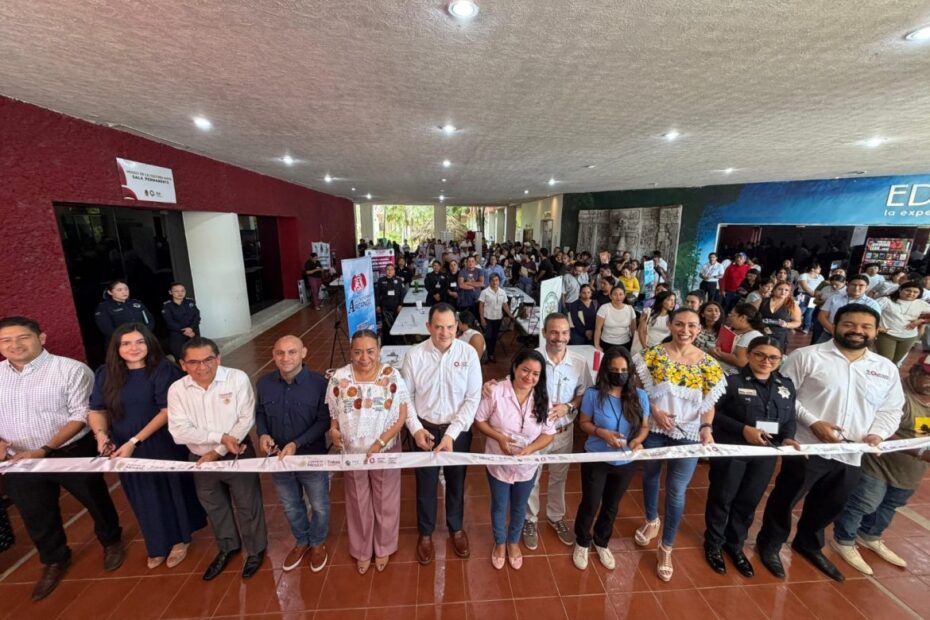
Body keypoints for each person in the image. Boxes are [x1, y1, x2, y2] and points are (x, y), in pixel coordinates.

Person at [756, 305, 905, 582]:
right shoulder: (807, 356)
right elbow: (782, 396)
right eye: (849, 324)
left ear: (876, 332)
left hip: (853, 451)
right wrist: (813, 422)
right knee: (786, 498)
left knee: (831, 503)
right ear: (834, 326)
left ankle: (808, 544)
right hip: (806, 446)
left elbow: (892, 409)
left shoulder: (885, 368)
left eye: (865, 327)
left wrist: (878, 434)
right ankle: (770, 544)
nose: (857, 331)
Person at [0, 316, 125, 601]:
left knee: (95, 499)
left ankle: (111, 541)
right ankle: (54, 559)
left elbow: (81, 414)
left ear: (41, 338)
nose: (14, 345)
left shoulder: (70, 370)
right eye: (6, 340)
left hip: (70, 451)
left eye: (22, 337)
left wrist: (45, 448)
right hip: (18, 460)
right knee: (35, 513)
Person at [88, 323, 206, 570]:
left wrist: (135, 441)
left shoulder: (163, 370)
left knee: (170, 490)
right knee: (142, 494)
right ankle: (157, 543)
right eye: (126, 343)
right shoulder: (105, 373)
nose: (134, 348)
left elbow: (167, 411)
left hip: (160, 442)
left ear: (149, 343)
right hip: (123, 447)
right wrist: (101, 435)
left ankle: (180, 539)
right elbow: (97, 409)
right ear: (116, 347)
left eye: (140, 342)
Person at [633, 308, 726, 581]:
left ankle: (666, 546)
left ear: (700, 329)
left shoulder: (709, 364)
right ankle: (652, 520)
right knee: (650, 477)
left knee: (676, 490)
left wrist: (706, 428)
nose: (685, 330)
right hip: (655, 429)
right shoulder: (653, 355)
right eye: (680, 324)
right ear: (670, 325)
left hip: (688, 434)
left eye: (692, 326)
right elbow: (638, 389)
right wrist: (654, 410)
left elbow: (708, 404)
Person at [167, 337, 267, 581]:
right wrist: (219, 437)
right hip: (200, 459)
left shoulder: (237, 378)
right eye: (194, 362)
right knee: (214, 506)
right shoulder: (177, 390)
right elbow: (179, 431)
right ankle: (228, 546)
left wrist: (218, 451)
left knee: (248, 504)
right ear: (183, 364)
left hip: (237, 453)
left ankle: (255, 550)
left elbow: (246, 419)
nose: (202, 367)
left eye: (208, 359)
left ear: (218, 359)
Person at [703, 337, 799, 577]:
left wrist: (787, 438)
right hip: (733, 451)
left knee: (748, 500)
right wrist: (742, 429)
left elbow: (789, 417)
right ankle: (713, 543)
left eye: (773, 357)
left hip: (765, 455)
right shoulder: (731, 381)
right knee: (723, 497)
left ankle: (734, 544)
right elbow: (713, 414)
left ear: (780, 360)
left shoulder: (785, 386)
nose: (766, 361)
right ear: (749, 354)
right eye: (759, 355)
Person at [831, 353, 930, 575]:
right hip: (880, 465)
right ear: (915, 371)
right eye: (928, 376)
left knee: (891, 504)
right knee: (863, 503)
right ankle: (844, 540)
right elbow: (878, 429)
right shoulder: (898, 396)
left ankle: (870, 536)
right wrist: (919, 451)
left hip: (911, 471)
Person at [401, 303, 482, 565]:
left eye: (449, 327)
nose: (444, 333)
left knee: (456, 481)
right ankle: (425, 533)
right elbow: (406, 398)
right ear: (428, 327)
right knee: (425, 484)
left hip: (456, 431)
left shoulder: (468, 354)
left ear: (457, 326)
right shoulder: (414, 355)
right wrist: (416, 429)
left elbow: (473, 398)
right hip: (424, 429)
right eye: (438, 327)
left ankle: (456, 528)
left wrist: (452, 434)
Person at [328, 330, 410, 573]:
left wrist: (381, 442)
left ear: (379, 350)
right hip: (352, 451)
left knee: (386, 499)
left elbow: (401, 415)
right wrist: (334, 430)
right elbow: (334, 413)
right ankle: (362, 549)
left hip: (385, 448)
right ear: (350, 351)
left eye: (370, 351)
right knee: (357, 500)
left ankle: (384, 546)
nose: (364, 357)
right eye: (358, 352)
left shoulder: (391, 375)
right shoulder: (339, 378)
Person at [255, 335, 330, 573]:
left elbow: (324, 421)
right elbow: (260, 414)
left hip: (311, 457)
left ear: (304, 353)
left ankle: (317, 542)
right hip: (279, 460)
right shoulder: (264, 384)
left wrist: (297, 443)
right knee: (290, 505)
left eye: (292, 352)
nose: (285, 358)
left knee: (319, 505)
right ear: (273, 355)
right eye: (280, 353)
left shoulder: (320, 384)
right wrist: (263, 434)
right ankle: (302, 540)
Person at [475, 349, 554, 570]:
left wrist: (531, 449)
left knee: (520, 506)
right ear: (514, 367)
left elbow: (548, 433)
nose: (529, 377)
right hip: (498, 462)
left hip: (527, 466)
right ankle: (500, 543)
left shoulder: (542, 398)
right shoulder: (496, 391)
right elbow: (479, 420)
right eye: (525, 370)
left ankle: (513, 542)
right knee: (500, 505)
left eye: (536, 374)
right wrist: (499, 437)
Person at [572, 347, 649, 571]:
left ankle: (602, 541)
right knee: (591, 502)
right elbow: (584, 423)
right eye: (615, 370)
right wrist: (601, 433)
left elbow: (645, 427)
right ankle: (582, 541)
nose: (619, 374)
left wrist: (637, 441)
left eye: (624, 370)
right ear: (606, 370)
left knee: (612, 505)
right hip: (596, 457)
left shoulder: (640, 396)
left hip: (625, 461)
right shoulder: (593, 394)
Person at [875, 281, 930, 365]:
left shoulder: (921, 303)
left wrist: (921, 321)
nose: (911, 294)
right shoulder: (886, 300)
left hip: (909, 337)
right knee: (886, 362)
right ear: (900, 290)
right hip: (887, 335)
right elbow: (868, 312)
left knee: (896, 362)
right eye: (908, 290)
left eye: (915, 292)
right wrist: (876, 327)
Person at [818, 274, 881, 342]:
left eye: (861, 285)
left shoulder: (872, 304)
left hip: (856, 338)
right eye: (853, 285)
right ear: (847, 284)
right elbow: (822, 316)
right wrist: (833, 331)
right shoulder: (834, 298)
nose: (856, 288)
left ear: (867, 287)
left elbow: (873, 324)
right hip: (829, 335)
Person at [710, 303, 766, 374]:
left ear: (742, 317)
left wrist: (717, 353)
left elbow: (740, 361)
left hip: (732, 374)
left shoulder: (751, 336)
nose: (729, 316)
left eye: (732, 315)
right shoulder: (736, 330)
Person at [94, 280, 154, 344]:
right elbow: (107, 330)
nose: (124, 292)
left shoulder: (136, 303)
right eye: (119, 290)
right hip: (120, 343)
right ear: (110, 292)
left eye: (126, 289)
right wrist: (128, 338)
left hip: (143, 339)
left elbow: (150, 320)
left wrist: (145, 333)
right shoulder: (104, 307)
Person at [478, 273, 512, 363]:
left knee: (494, 337)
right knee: (488, 337)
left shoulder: (502, 292)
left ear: (499, 281)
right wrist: (482, 319)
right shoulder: (484, 292)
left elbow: (505, 305)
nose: (494, 282)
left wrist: (510, 315)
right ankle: (486, 354)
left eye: (496, 280)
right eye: (492, 280)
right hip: (488, 318)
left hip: (498, 318)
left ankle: (491, 354)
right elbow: (481, 306)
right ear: (489, 281)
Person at [161, 282, 201, 359]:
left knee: (197, 355)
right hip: (177, 335)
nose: (180, 293)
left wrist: (191, 328)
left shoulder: (190, 302)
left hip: (193, 333)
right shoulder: (167, 306)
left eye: (182, 291)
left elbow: (197, 317)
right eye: (176, 291)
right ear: (170, 292)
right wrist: (186, 331)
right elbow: (170, 322)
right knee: (180, 357)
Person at [759, 281, 802, 351]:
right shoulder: (762, 301)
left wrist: (786, 324)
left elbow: (798, 322)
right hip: (760, 333)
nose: (783, 292)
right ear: (774, 290)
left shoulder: (792, 305)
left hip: (779, 336)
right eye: (780, 289)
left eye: (786, 290)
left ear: (789, 293)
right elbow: (750, 316)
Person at [594, 284, 636, 352]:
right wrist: (597, 345)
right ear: (610, 296)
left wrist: (634, 345)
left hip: (625, 344)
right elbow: (598, 328)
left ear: (624, 295)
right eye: (615, 294)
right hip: (606, 343)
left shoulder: (630, 309)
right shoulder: (604, 308)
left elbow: (633, 330)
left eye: (621, 294)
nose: (618, 297)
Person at [811, 273, 846, 345]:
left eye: (837, 285)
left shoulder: (846, 292)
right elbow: (815, 301)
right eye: (832, 284)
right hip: (821, 313)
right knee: (817, 335)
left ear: (844, 283)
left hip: (835, 317)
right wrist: (825, 302)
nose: (834, 286)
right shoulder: (826, 288)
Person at [375, 263, 406, 344]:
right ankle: (387, 343)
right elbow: (377, 294)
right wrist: (377, 305)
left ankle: (397, 342)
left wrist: (401, 305)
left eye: (391, 270)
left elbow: (402, 294)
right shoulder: (381, 280)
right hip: (385, 308)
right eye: (388, 269)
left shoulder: (398, 280)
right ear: (385, 271)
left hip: (396, 308)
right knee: (386, 327)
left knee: (397, 325)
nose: (389, 271)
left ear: (394, 271)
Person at [796, 263, 824, 333]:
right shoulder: (804, 275)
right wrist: (815, 294)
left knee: (809, 312)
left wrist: (817, 295)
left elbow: (823, 286)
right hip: (804, 295)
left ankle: (806, 328)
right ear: (812, 269)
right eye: (819, 268)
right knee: (800, 311)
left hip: (814, 296)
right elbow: (805, 287)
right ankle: (793, 325)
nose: (820, 269)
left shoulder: (820, 277)